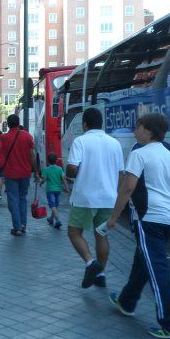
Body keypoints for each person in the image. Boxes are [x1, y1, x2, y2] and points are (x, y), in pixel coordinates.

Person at [107, 114, 170, 339]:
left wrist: (114, 217)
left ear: (149, 130)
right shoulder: (169, 154)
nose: (134, 131)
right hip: (169, 217)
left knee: (157, 268)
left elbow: (127, 188)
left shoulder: (138, 154)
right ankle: (127, 301)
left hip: (148, 217)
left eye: (138, 127)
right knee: (146, 260)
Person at [66, 107, 124, 288]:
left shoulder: (81, 141)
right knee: (101, 235)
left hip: (85, 197)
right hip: (108, 197)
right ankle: (101, 274)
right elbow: (121, 173)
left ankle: (91, 263)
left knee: (74, 232)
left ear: (84, 124)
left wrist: (70, 171)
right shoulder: (114, 143)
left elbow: (72, 169)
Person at [1, 115, 39, 236]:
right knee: (23, 198)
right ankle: (23, 225)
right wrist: (36, 171)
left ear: (8, 124)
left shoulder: (4, 137)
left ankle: (17, 227)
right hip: (25, 172)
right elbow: (32, 155)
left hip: (11, 172)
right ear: (18, 123)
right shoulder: (27, 135)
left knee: (13, 199)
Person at [40, 153, 69, 229]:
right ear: (56, 160)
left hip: (50, 190)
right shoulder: (59, 169)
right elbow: (64, 179)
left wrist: (40, 182)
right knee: (55, 205)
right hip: (58, 190)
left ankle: (58, 220)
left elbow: (44, 179)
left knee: (52, 206)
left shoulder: (46, 169)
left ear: (48, 161)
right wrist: (67, 188)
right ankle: (51, 219)